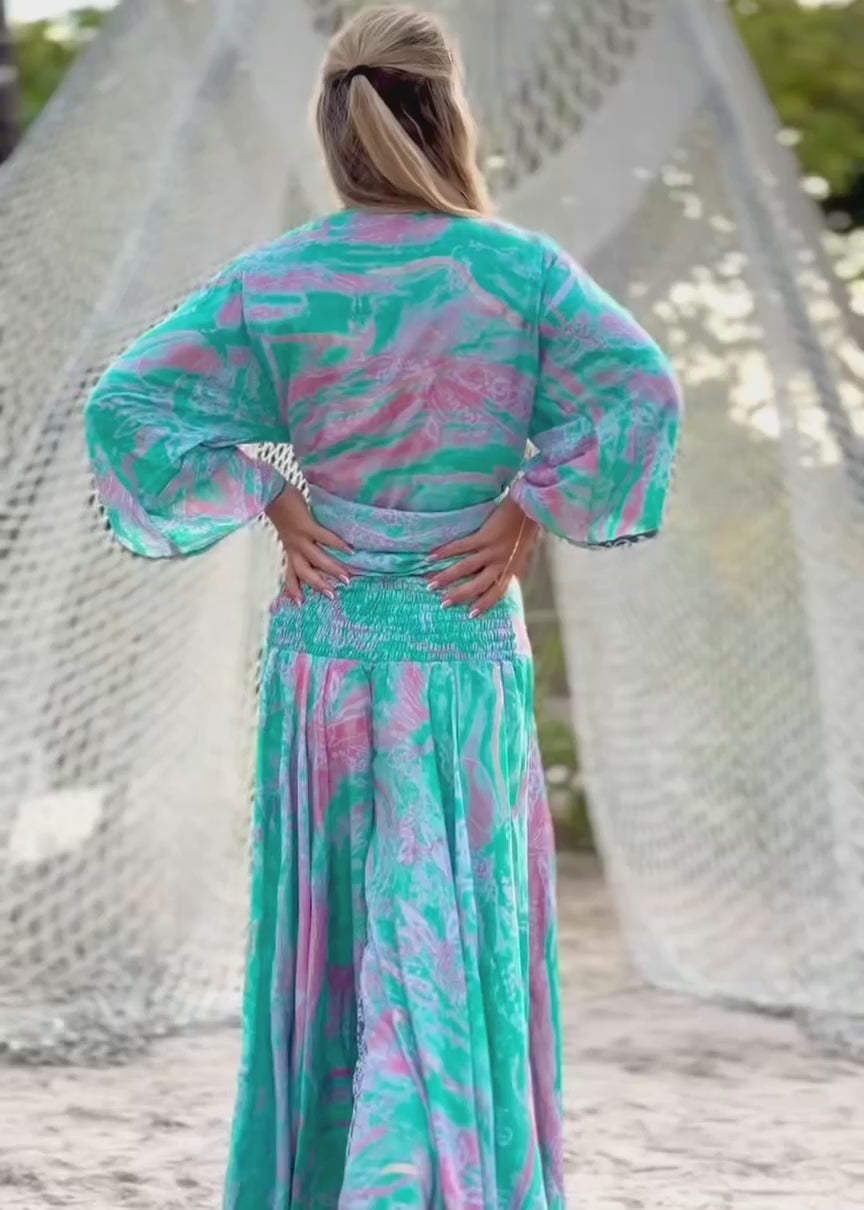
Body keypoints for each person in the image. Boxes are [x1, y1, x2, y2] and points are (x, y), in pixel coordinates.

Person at [84, 6, 681, 1207]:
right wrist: (529, 503)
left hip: (331, 657)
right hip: (463, 653)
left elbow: (127, 406)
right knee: (448, 941)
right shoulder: (521, 273)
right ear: (450, 116)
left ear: (334, 124)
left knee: (354, 941)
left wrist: (267, 489)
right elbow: (642, 392)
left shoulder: (278, 279)